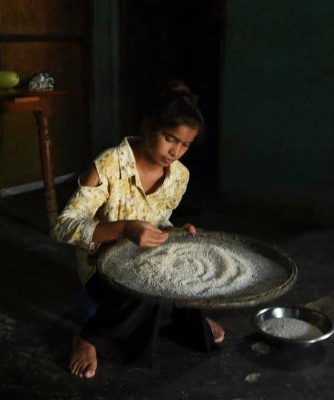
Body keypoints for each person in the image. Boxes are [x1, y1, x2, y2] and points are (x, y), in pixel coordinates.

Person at [53, 80, 225, 379]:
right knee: (146, 285)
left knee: (191, 259)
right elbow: (63, 226)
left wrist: (175, 232)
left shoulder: (178, 176)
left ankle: (187, 320)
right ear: (148, 128)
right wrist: (124, 229)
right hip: (101, 269)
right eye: (170, 138)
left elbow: (159, 220)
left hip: (145, 255)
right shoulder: (109, 165)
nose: (175, 151)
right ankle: (89, 337)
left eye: (185, 145)